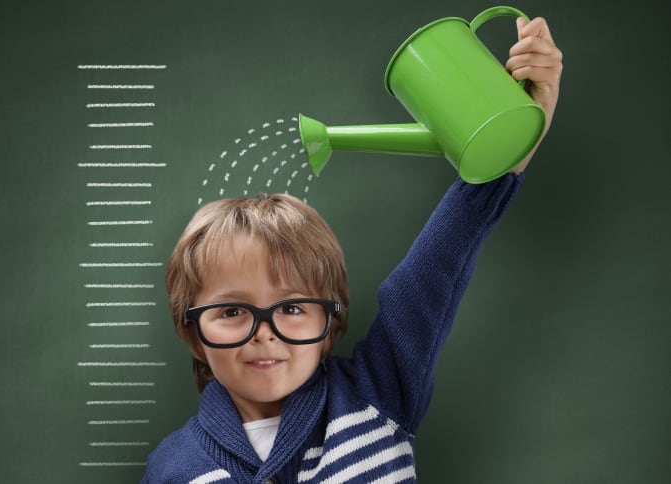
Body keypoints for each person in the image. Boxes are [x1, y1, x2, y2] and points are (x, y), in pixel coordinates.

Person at [141, 16, 563, 483]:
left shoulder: (377, 394)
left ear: (330, 322)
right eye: (231, 312)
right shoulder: (172, 468)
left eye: (294, 307)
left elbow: (432, 271)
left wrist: (515, 136)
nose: (265, 334)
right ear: (192, 330)